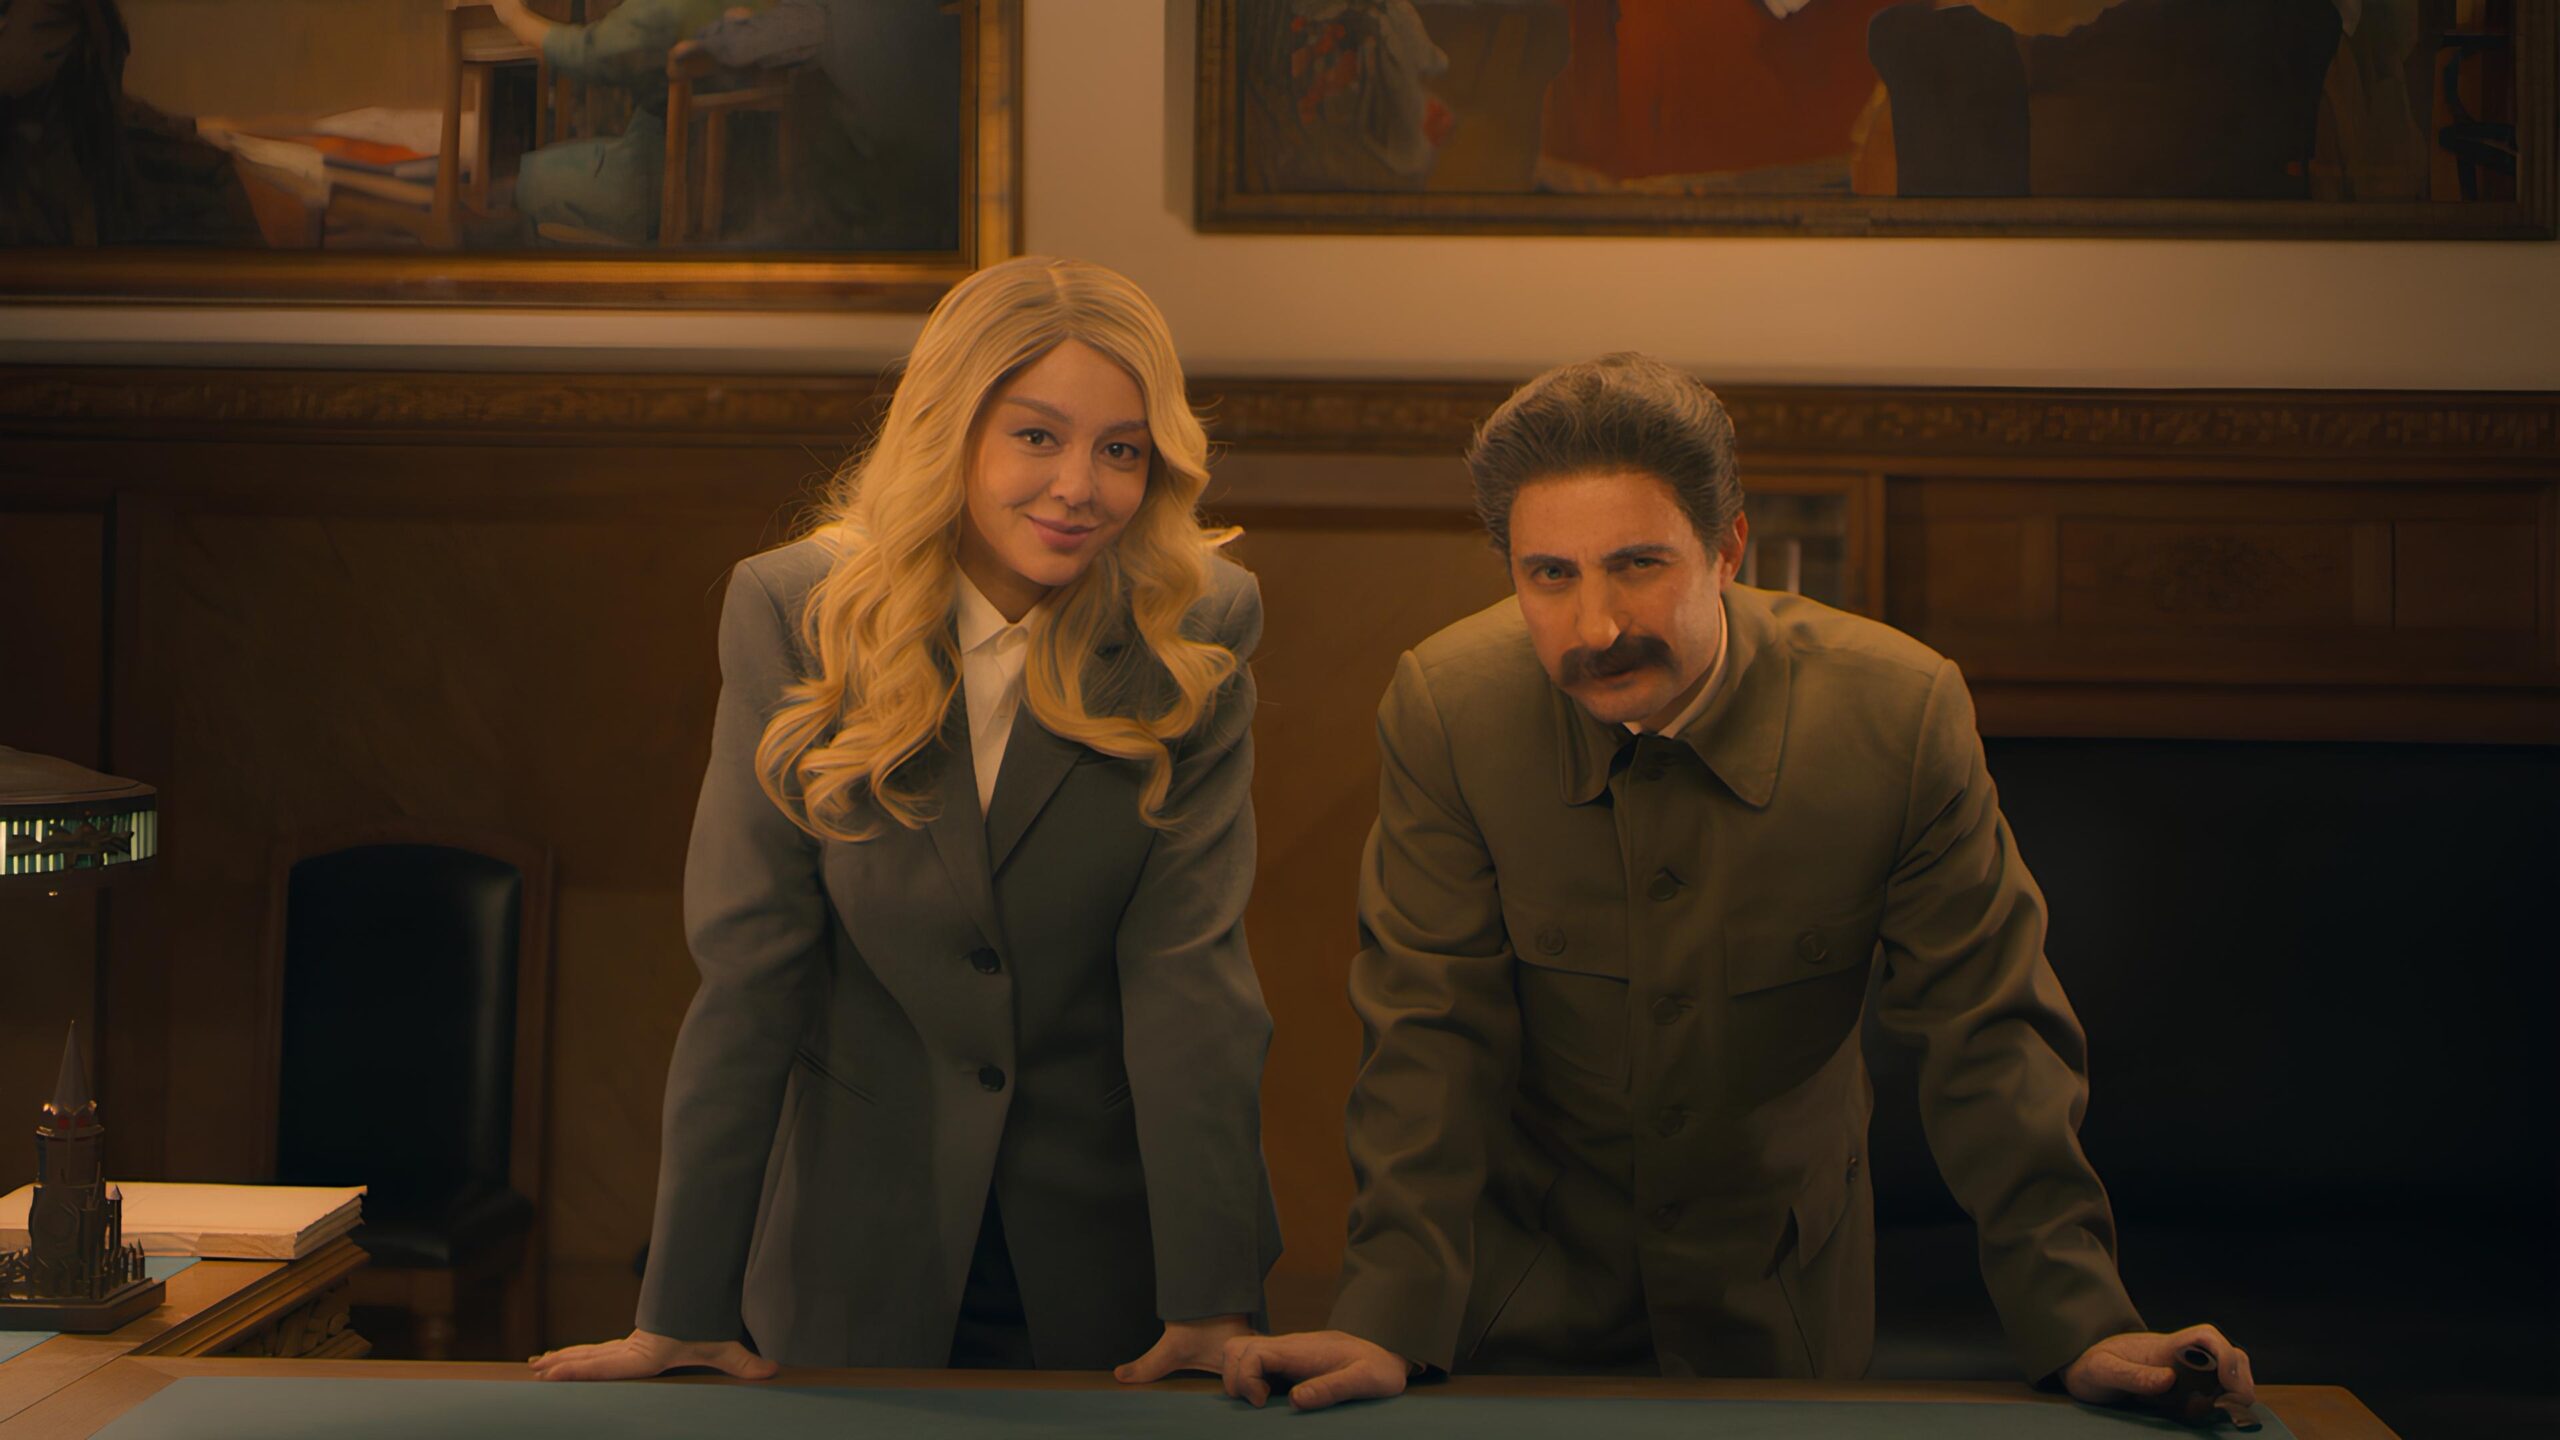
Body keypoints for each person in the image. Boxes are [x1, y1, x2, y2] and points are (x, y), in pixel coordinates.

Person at [1220, 354, 2255, 1412]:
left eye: (1637, 564)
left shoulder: (1900, 715)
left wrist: (2082, 1321)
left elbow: (1989, 1034)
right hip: (1518, 1303)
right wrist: (1385, 1320)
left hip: (1782, 1308)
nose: (1595, 627)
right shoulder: (1447, 709)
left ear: (1727, 550)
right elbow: (1429, 1034)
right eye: (1550, 575)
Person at [530, 256, 1282, 1379]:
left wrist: (1213, 1296)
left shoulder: (1199, 621)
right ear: (950, 428)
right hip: (853, 1248)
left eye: (1121, 450)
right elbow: (751, 970)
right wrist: (681, 1307)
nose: (1079, 486)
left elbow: (1191, 978)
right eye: (1037, 436)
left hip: (1115, 1256)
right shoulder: (794, 609)